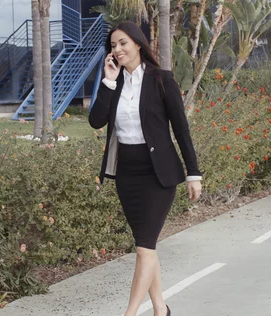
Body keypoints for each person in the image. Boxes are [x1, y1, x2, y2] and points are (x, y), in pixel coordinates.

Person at [88, 21, 203, 316]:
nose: (118, 49)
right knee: (147, 247)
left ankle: (129, 314)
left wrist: (193, 173)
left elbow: (182, 130)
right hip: (128, 174)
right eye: (113, 45)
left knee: (143, 248)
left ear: (138, 44)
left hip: (158, 175)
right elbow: (96, 121)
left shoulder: (161, 80)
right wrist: (109, 81)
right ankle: (160, 309)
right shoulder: (113, 82)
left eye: (123, 43)